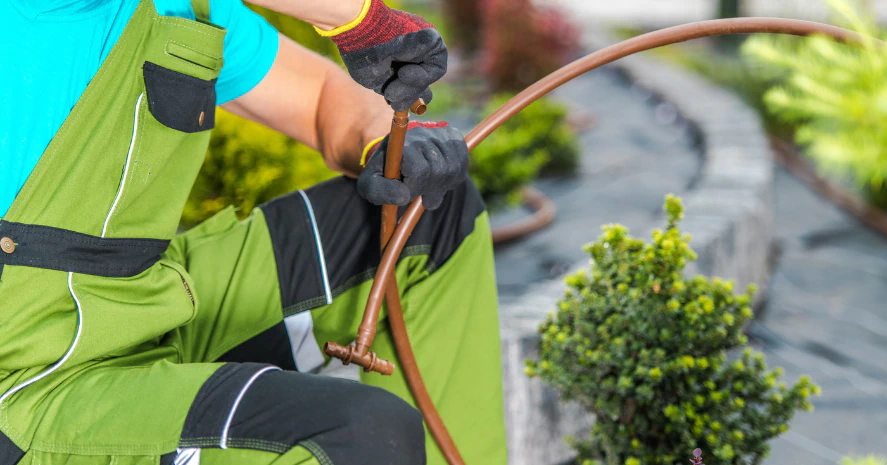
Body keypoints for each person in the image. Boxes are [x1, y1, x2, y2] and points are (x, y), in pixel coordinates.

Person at [0, 0, 507, 464]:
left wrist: (384, 143)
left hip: (143, 300)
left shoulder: (190, 11)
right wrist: (358, 17)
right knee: (359, 431)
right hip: (24, 374)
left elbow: (319, 98)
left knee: (432, 212)